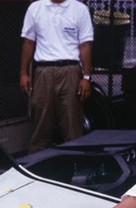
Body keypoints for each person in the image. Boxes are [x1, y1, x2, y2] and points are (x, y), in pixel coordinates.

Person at [19, 0, 93, 154]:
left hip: (70, 72)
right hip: (43, 73)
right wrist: (24, 73)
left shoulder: (79, 9)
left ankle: (74, 168)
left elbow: (85, 46)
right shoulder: (36, 8)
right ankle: (37, 169)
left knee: (72, 125)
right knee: (41, 125)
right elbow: (28, 42)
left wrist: (86, 77)